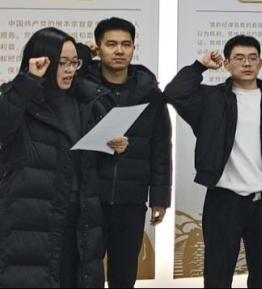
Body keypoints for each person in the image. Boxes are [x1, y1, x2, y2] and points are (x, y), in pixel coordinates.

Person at [164, 35, 262, 289]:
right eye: (239, 58)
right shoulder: (211, 99)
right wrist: (199, 66)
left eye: (252, 58)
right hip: (223, 200)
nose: (247, 63)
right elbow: (173, 93)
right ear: (226, 64)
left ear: (260, 63)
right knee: (217, 272)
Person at [0, 27, 126, 288]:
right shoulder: (18, 96)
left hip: (80, 216)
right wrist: (28, 81)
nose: (70, 70)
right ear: (42, 62)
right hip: (34, 218)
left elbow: (90, 162)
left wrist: (113, 148)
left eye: (74, 63)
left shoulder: (85, 102)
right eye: (62, 63)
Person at [79, 18, 172, 288]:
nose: (119, 51)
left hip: (131, 200)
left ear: (133, 48)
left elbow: (161, 148)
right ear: (98, 48)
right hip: (88, 197)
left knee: (125, 273)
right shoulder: (80, 88)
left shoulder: (150, 93)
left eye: (126, 44)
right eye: (111, 44)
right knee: (84, 272)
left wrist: (159, 198)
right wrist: (83, 53)